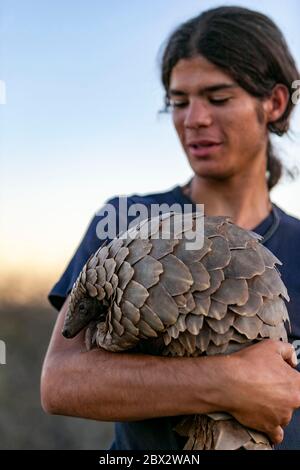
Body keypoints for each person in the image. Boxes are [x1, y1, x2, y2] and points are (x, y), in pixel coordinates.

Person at [41, 6, 300, 450]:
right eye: (178, 102)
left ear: (274, 103)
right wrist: (226, 382)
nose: (193, 119)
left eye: (218, 98)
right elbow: (62, 382)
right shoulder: (126, 222)